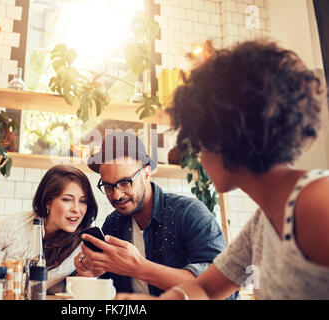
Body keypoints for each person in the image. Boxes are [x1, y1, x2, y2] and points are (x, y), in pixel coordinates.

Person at [117, 40, 329, 300]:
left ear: (224, 137)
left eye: (200, 143)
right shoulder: (262, 224)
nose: (200, 157)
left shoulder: (318, 203)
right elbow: (205, 288)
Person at [74, 131, 235, 298]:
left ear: (146, 173)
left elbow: (227, 289)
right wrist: (90, 273)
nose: (116, 195)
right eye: (108, 186)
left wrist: (139, 267)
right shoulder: (113, 224)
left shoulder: (188, 213)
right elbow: (109, 289)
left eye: (125, 183)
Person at [0, 164, 98, 296]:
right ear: (47, 202)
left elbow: (77, 292)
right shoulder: (16, 225)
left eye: (83, 201)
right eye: (67, 199)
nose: (77, 209)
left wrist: (87, 275)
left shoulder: (84, 244)